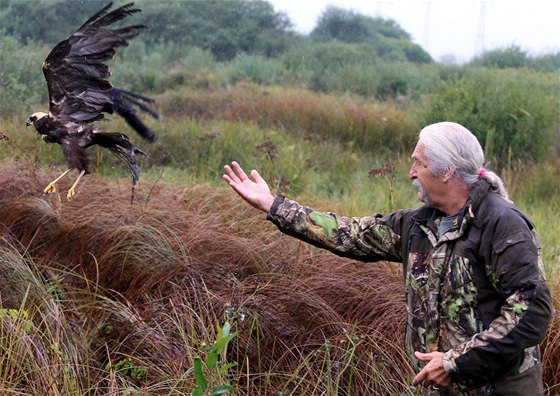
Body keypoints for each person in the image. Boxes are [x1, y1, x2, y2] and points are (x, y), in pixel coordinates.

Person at [223, 121, 553, 395]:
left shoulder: (501, 224)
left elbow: (532, 310)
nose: (411, 172)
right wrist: (273, 205)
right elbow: (349, 234)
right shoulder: (417, 224)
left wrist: (456, 362)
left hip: (500, 388)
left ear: (447, 171)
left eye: (419, 163)